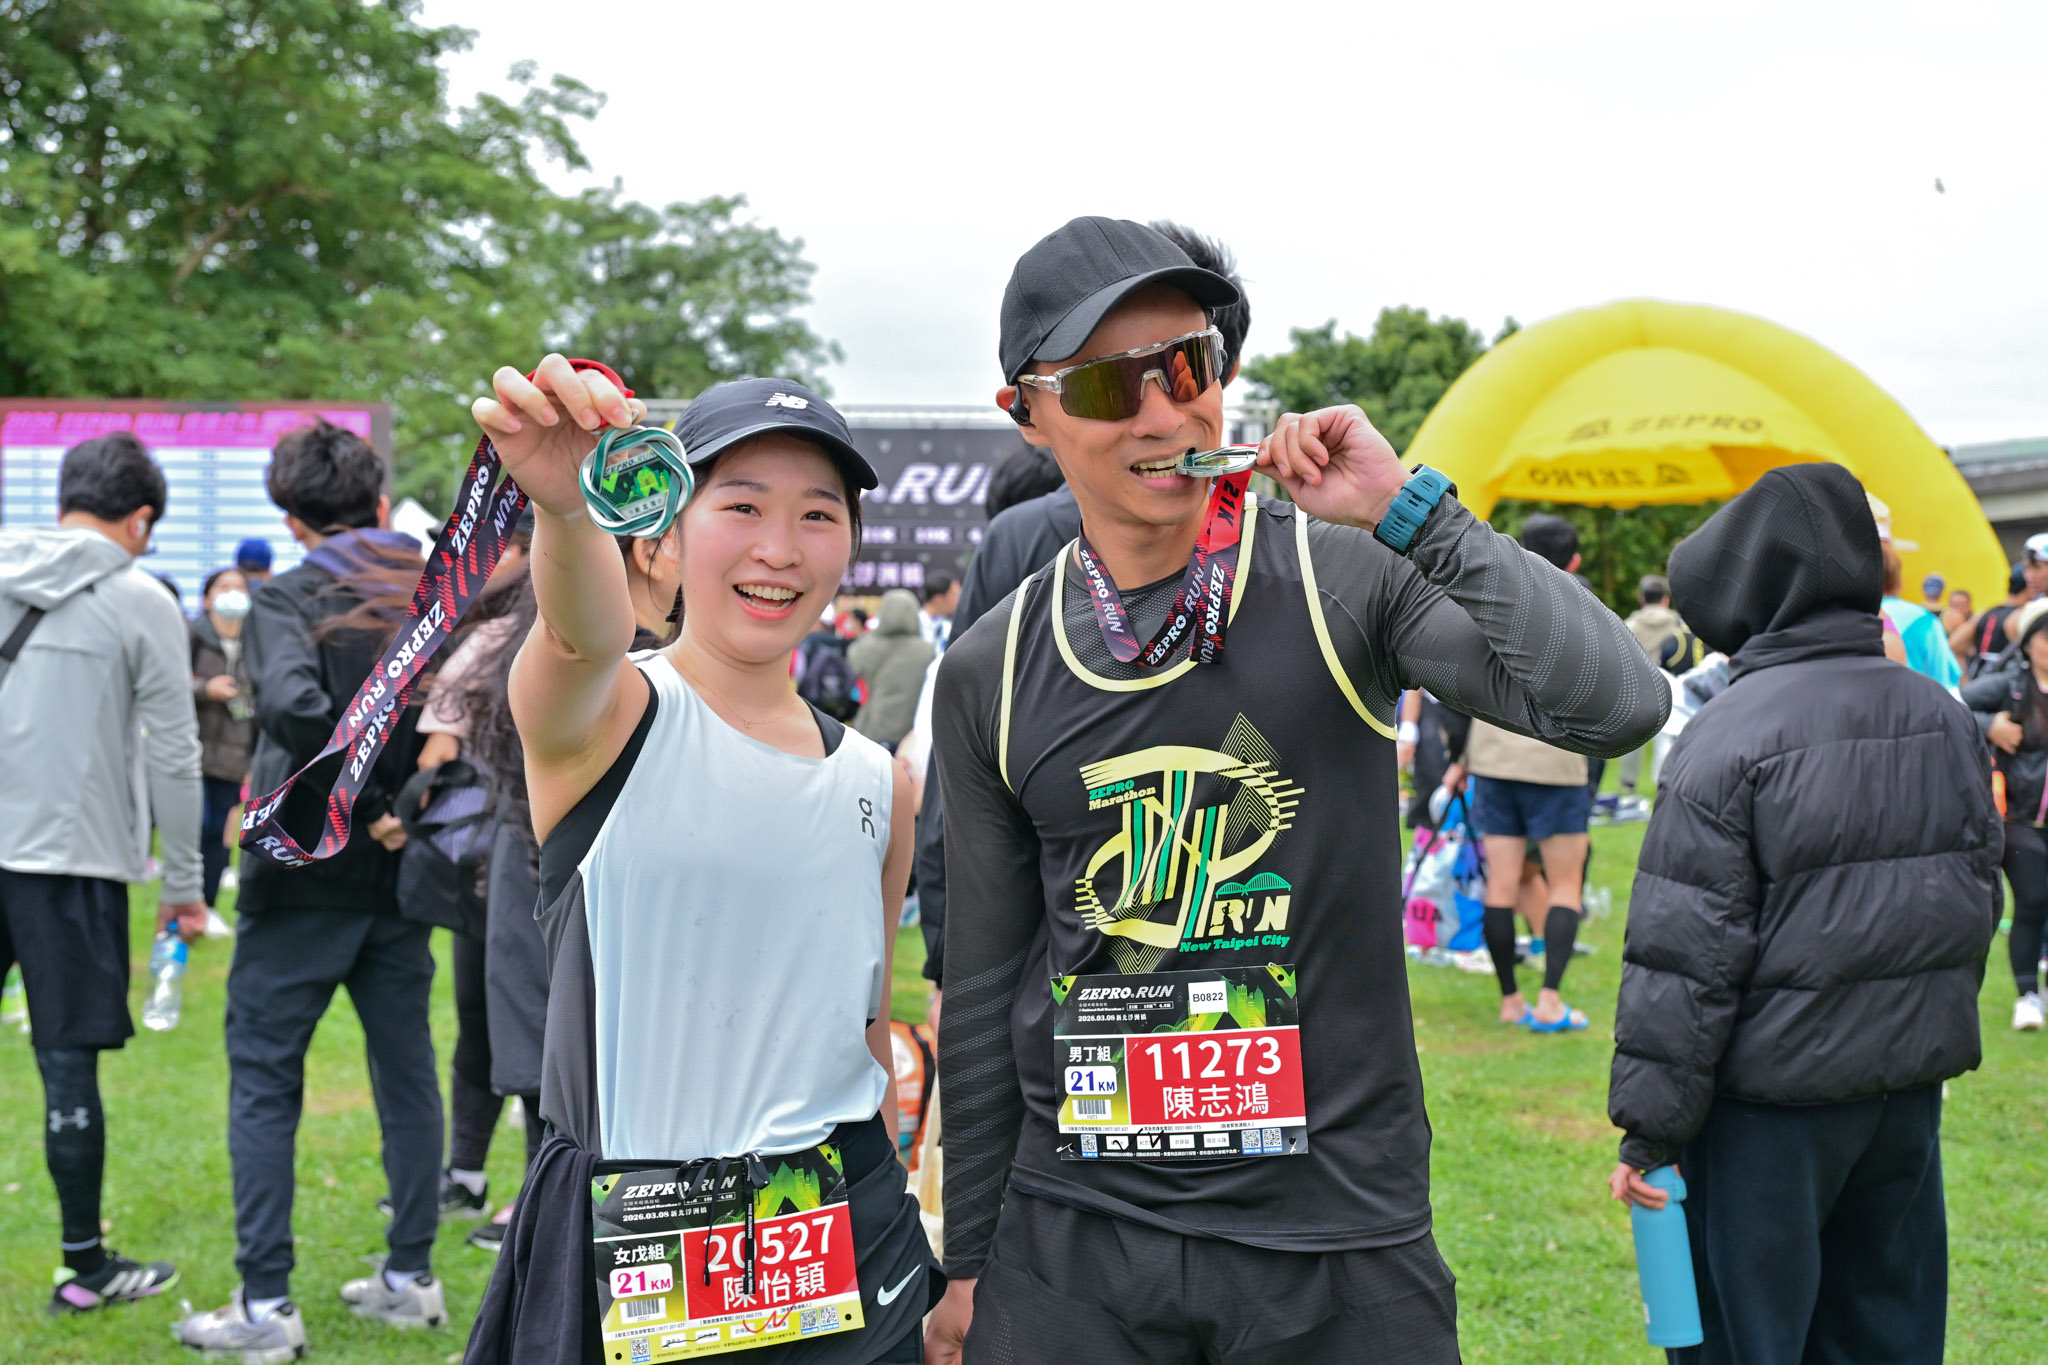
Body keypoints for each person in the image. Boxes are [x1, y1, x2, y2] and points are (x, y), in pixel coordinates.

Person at [927, 217, 1665, 1364]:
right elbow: (982, 985)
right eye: (1107, 386)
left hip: (1336, 1242)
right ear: (1025, 413)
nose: (1160, 414)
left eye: (1186, 367)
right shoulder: (996, 665)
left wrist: (1411, 510)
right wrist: (970, 1262)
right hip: (1075, 1240)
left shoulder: (1345, 579)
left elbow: (1617, 703)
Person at [462, 364, 940, 1365]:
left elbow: (859, 1025)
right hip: (641, 1256)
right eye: (741, 505)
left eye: (818, 514)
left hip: (847, 1247)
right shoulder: (606, 719)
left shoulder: (878, 781)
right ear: (665, 537)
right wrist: (564, 508)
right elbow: (577, 637)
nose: (780, 548)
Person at [1606, 464, 1997, 1365]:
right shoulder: (1942, 714)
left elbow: (1685, 954)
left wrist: (1650, 1131)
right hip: (1902, 1096)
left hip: (1768, 1112)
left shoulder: (1728, 734)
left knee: (1750, 1339)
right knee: (1885, 1331)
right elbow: (1978, 895)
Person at [179, 421, 445, 1359]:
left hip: (305, 870)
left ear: (290, 517)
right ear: (377, 500)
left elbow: (294, 705)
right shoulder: (430, 590)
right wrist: (400, 807)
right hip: (399, 869)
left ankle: (266, 1301)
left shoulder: (288, 596)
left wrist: (364, 804)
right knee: (406, 1069)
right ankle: (410, 1276)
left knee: (265, 1078)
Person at [0, 431, 201, 1314]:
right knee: (66, 1064)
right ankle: (84, 1266)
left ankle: (87, 1265)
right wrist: (184, 883)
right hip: (72, 856)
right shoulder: (138, 595)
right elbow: (176, 754)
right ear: (141, 518)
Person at [393, 513, 533, 1238]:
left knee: (523, 1028)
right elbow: (438, 751)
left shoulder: (521, 631)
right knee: (490, 1020)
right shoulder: (492, 634)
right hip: (494, 862)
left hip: (515, 859)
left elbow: (436, 756)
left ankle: (526, 1191)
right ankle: (472, 1173)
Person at [1462, 514, 1596, 1032]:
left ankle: (1510, 1001)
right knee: (1565, 885)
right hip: (1555, 759)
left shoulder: (1493, 598)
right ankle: (1550, 1000)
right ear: (1574, 560)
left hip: (1493, 754)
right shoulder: (1583, 605)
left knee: (1501, 883)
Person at [1963, 597, 2048, 1030]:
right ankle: (2027, 995)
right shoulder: (2010, 684)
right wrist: (1989, 726)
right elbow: (1951, 704)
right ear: (2029, 642)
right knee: (2033, 898)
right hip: (2018, 817)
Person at [191, 567, 257, 938]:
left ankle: (209, 906)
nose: (232, 593)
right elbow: (167, 683)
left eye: (239, 587)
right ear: (207, 598)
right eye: (223, 586)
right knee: (194, 831)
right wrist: (205, 689)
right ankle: (183, 906)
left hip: (233, 757)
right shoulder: (192, 636)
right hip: (191, 753)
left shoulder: (255, 643)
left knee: (219, 833)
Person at [849, 587, 934, 750]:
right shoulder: (928, 650)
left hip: (872, 730)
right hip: (910, 734)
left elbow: (854, 663)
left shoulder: (864, 647)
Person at [1954, 562, 2027, 678]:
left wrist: (1965, 682)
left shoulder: (1984, 613)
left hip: (1979, 681)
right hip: (2006, 683)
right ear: (2031, 586)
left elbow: (1954, 645)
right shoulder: (2022, 615)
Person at [920, 571, 960, 648]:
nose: (958, 601)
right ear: (938, 599)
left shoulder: (948, 626)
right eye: (955, 596)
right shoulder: (915, 625)